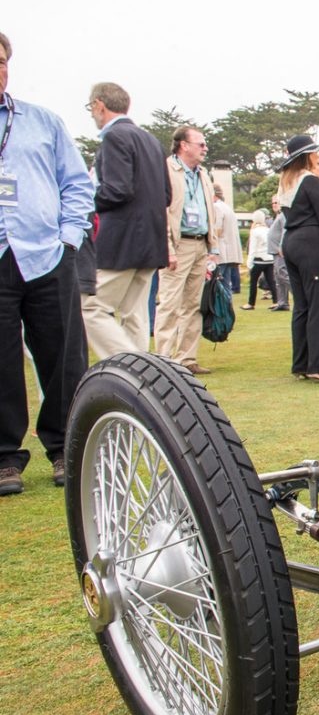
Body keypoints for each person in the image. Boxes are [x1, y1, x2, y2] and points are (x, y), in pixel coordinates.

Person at [0, 32, 95, 495]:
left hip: (45, 253)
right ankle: (4, 458)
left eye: (1, 61)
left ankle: (66, 448)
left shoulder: (42, 122)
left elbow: (76, 183)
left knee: (64, 356)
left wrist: (69, 238)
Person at [83, 81, 171, 359]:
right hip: (151, 240)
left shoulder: (114, 137)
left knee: (91, 308)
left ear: (99, 104)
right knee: (135, 313)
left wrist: (85, 202)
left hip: (122, 240)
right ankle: (144, 376)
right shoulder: (151, 141)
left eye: (90, 108)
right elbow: (166, 194)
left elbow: (117, 190)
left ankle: (129, 368)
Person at [155, 126, 220, 374]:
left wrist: (212, 246)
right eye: (200, 144)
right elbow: (161, 211)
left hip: (200, 242)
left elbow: (209, 210)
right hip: (177, 244)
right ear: (183, 145)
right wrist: (167, 248)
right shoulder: (166, 170)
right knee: (170, 303)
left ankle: (187, 358)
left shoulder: (203, 174)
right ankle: (163, 359)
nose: (205, 148)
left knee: (193, 305)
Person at [276, 135, 319, 383]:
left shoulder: (287, 183)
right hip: (311, 243)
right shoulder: (310, 180)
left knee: (302, 305)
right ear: (308, 155)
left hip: (291, 242)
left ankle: (301, 362)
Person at [212, 184, 242, 294]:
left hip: (221, 251)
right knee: (226, 285)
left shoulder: (216, 207)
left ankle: (219, 310)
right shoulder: (227, 207)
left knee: (216, 284)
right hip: (230, 252)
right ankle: (227, 309)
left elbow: (217, 230)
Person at [243, 210, 273, 310]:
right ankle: (276, 301)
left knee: (253, 282)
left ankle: (251, 303)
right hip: (269, 259)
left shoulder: (254, 231)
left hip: (259, 259)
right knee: (271, 281)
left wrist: (249, 262)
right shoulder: (268, 229)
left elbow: (253, 248)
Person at [266, 196, 289, 310]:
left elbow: (285, 230)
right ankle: (282, 302)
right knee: (278, 278)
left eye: (276, 202)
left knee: (283, 274)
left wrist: (281, 246)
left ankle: (299, 294)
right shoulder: (278, 216)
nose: (274, 204)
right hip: (274, 251)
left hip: (279, 251)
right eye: (273, 203)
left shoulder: (283, 215)